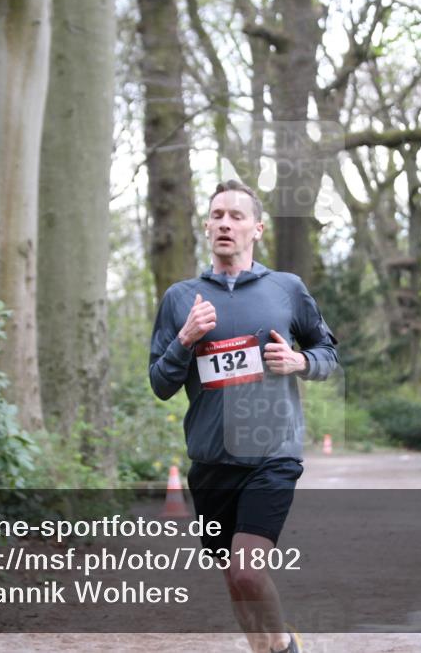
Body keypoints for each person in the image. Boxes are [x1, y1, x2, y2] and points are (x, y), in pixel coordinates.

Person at [149, 180, 339, 653]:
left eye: (236, 216)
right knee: (235, 580)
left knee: (248, 569)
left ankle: (284, 648)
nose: (225, 224)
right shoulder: (180, 299)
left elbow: (328, 353)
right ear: (207, 227)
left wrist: (300, 362)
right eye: (216, 215)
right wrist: (185, 340)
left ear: (257, 228)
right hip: (211, 461)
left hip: (273, 453)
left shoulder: (286, 289)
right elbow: (160, 384)